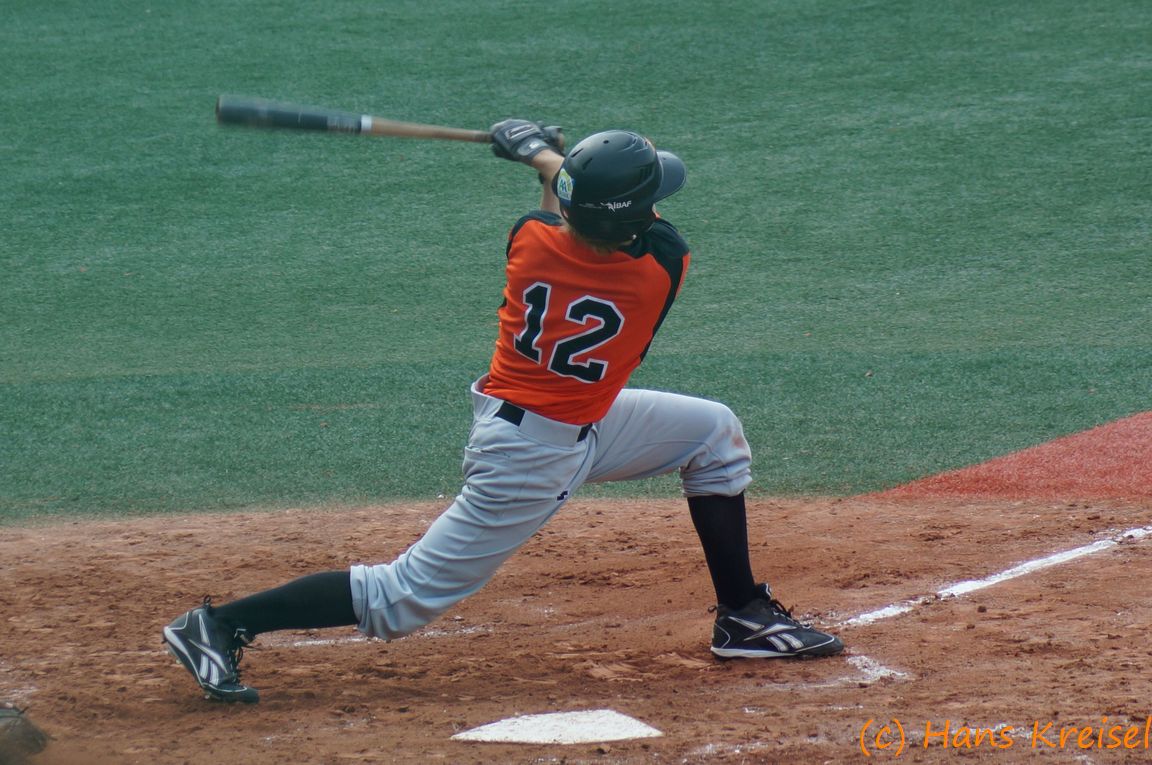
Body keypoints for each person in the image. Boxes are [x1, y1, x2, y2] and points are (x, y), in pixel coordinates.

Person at [162, 120, 844, 703]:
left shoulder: (529, 241)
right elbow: (600, 209)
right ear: (633, 221)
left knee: (711, 432)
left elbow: (561, 209)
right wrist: (542, 151)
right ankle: (218, 625)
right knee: (398, 599)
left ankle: (743, 616)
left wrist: (541, 156)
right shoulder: (662, 265)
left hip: (570, 419)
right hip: (529, 455)